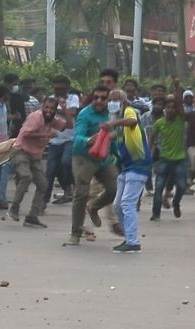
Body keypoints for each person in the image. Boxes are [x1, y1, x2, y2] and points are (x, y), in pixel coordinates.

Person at [67, 85, 119, 246]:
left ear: (108, 100)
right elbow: (78, 137)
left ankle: (94, 207)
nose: (99, 101)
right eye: (96, 97)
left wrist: (117, 155)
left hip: (103, 158)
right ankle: (75, 233)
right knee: (81, 194)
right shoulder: (85, 114)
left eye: (103, 98)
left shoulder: (111, 114)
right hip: (83, 157)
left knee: (114, 188)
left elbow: (112, 138)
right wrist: (89, 140)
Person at [8, 97, 68, 228]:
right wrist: (46, 135)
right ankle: (14, 208)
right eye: (46, 107)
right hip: (21, 151)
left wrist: (65, 110)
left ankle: (32, 215)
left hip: (35, 156)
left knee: (43, 184)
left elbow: (68, 126)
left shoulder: (51, 119)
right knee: (26, 176)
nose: (49, 111)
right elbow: (26, 134)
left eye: (52, 109)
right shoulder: (36, 117)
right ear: (42, 107)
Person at [106, 89, 152, 253]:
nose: (111, 103)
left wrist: (114, 123)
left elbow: (131, 121)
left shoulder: (129, 111)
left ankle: (132, 242)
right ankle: (129, 237)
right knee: (118, 205)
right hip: (126, 166)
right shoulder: (119, 120)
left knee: (127, 203)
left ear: (124, 102)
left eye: (115, 100)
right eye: (110, 100)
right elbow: (114, 135)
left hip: (139, 165)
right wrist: (95, 138)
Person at [150, 98, 188, 221]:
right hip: (164, 159)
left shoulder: (180, 120)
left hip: (179, 160)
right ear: (164, 109)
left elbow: (181, 105)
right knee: (159, 187)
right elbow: (152, 136)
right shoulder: (159, 123)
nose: (171, 110)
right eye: (168, 107)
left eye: (173, 108)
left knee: (181, 186)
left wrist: (177, 90)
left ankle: (176, 203)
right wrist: (150, 152)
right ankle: (156, 214)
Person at [45, 75, 78, 205]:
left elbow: (73, 112)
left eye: (62, 89)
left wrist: (57, 110)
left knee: (66, 162)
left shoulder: (73, 98)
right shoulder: (50, 98)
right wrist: (62, 111)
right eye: (57, 89)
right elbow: (46, 114)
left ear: (68, 88)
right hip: (55, 139)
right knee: (50, 170)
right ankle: (43, 201)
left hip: (70, 137)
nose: (59, 91)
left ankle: (71, 187)